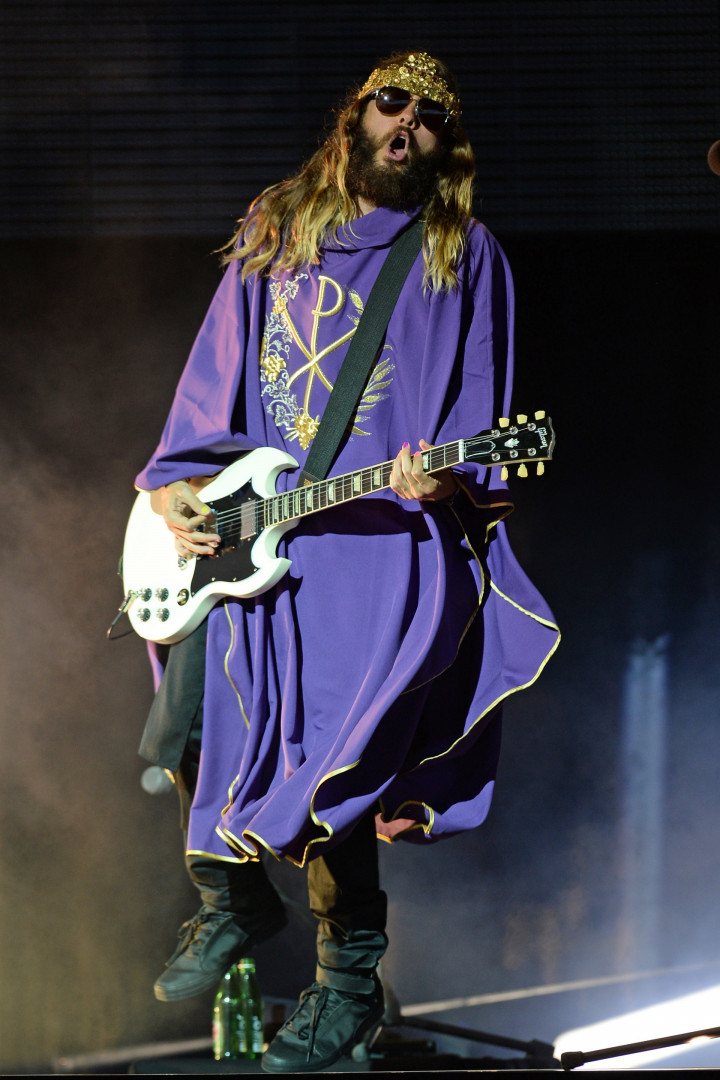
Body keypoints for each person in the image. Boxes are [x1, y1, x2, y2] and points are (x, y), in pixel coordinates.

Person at [134, 50, 560, 1073]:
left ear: (447, 142)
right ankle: (232, 899)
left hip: (385, 546)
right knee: (203, 721)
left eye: (429, 115)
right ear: (356, 115)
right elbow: (214, 368)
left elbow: (482, 403)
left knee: (342, 761)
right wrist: (173, 480)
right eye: (390, 103)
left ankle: (346, 984)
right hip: (264, 530)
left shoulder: (461, 252)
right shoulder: (278, 227)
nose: (406, 124)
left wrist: (445, 474)